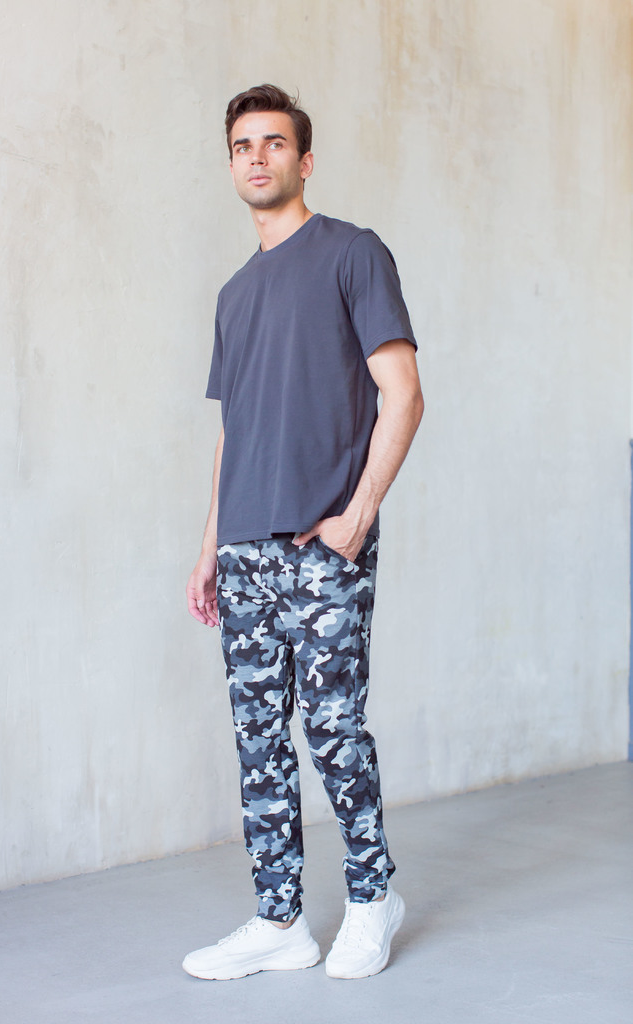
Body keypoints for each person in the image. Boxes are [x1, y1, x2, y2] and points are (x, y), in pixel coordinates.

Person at [183, 84, 424, 982]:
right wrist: (209, 546)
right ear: (231, 165)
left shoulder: (353, 254)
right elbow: (234, 430)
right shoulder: (233, 294)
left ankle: (372, 898)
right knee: (259, 739)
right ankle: (279, 919)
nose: (257, 157)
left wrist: (357, 517)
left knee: (333, 729)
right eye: (242, 145)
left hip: (321, 546)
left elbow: (404, 393)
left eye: (274, 142)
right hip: (243, 549)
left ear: (304, 160)